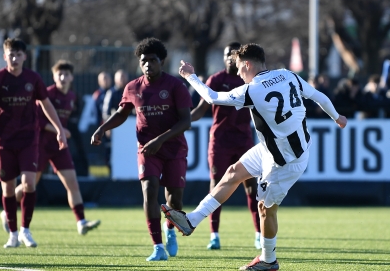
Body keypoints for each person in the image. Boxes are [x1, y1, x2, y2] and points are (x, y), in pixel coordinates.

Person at [162, 43, 347, 270]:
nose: (238, 73)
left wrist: (190, 76)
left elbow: (211, 98)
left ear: (248, 64)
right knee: (233, 173)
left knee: (266, 209)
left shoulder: (252, 89)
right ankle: (191, 221)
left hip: (286, 161)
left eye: (239, 67)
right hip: (272, 148)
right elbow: (318, 96)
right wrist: (337, 117)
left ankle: (269, 260)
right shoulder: (287, 75)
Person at [91, 38, 192, 261]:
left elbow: (186, 122)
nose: (148, 65)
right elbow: (121, 113)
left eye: (153, 60)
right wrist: (101, 128)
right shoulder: (132, 87)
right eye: (143, 61)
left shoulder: (175, 86)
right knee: (149, 189)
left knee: (174, 200)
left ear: (162, 61)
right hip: (147, 149)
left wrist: (161, 139)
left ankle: (170, 229)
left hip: (173, 148)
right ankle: (157, 246)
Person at [0, 38, 67, 249]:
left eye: (19, 54)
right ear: (5, 57)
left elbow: (46, 105)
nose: (15, 58)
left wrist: (59, 130)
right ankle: (12, 233)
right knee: (8, 187)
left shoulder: (34, 79)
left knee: (29, 183)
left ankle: (25, 231)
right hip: (3, 141)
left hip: (29, 139)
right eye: (11, 54)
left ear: (24, 57)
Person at [7, 60, 100, 235]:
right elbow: (37, 120)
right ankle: (8, 211)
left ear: (72, 77)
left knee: (72, 183)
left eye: (66, 74)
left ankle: (81, 222)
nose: (63, 77)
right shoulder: (47, 94)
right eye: (60, 74)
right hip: (40, 145)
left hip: (59, 146)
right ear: (54, 76)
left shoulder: (72, 97)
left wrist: (62, 133)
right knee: (29, 185)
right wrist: (61, 130)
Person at [190, 42, 261, 250]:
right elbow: (200, 110)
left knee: (251, 188)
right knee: (216, 185)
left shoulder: (249, 80)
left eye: (233, 54)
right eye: (226, 54)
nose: (230, 57)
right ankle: (214, 235)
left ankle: (258, 234)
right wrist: (180, 121)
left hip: (243, 141)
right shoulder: (216, 79)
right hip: (220, 142)